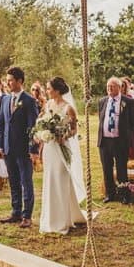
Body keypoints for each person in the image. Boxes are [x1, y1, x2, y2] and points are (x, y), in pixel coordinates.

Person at [38, 77, 87, 234]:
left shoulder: (68, 108)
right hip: (49, 148)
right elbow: (40, 122)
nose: (47, 91)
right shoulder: (48, 105)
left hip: (61, 147)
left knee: (61, 179)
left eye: (49, 88)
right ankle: (51, 218)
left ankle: (63, 219)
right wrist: (42, 133)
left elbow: (74, 130)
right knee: (50, 180)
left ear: (57, 90)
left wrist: (64, 136)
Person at [0, 66, 39, 227]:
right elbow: (1, 125)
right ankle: (15, 212)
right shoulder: (5, 99)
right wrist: (0, 146)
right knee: (13, 182)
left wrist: (33, 150)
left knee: (25, 182)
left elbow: (33, 128)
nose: (7, 83)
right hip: (8, 148)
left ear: (19, 81)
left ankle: (27, 216)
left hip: (23, 150)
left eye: (10, 80)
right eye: (7, 80)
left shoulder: (29, 101)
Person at [97, 76, 134, 203]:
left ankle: (124, 195)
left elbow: (132, 123)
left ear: (119, 88)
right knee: (107, 169)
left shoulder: (128, 102)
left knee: (121, 169)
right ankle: (110, 194)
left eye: (112, 86)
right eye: (108, 86)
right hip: (105, 141)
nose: (109, 89)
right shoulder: (102, 101)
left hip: (120, 141)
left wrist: (127, 138)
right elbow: (101, 118)